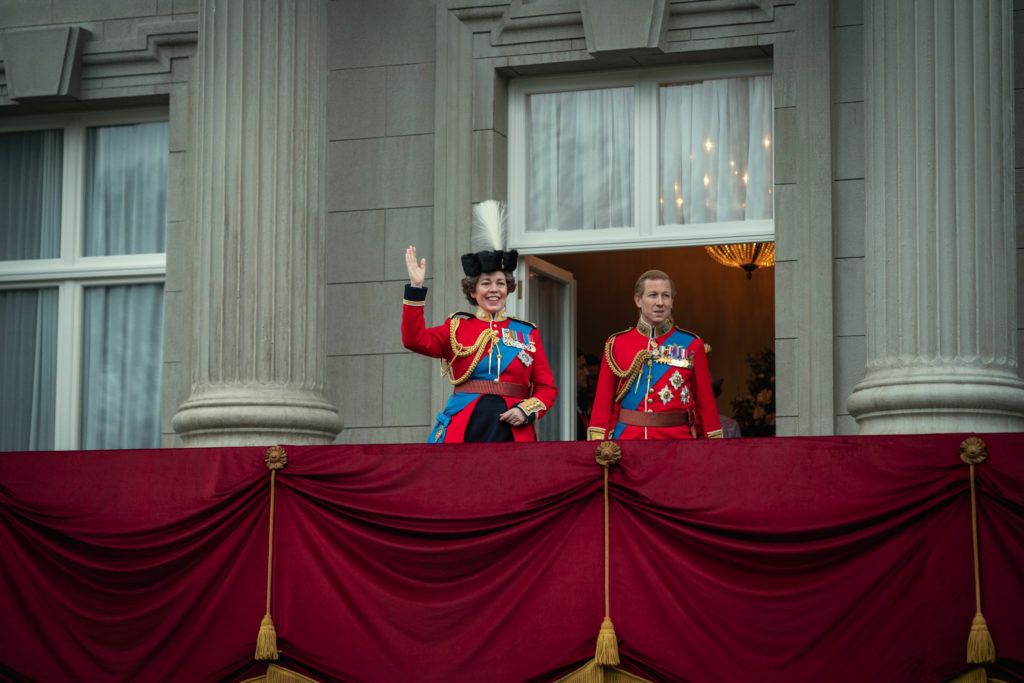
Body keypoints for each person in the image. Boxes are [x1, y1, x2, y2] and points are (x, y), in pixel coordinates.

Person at [402, 244, 557, 443]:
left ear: (507, 289)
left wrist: (525, 410)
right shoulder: (455, 328)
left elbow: (547, 387)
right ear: (473, 291)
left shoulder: (527, 333)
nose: (494, 290)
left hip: (513, 432)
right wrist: (416, 288)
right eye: (486, 283)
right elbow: (413, 340)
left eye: (500, 283)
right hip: (465, 429)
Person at [587, 269, 722, 441]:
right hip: (627, 443)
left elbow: (706, 405)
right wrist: (598, 445)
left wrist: (715, 445)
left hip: (677, 444)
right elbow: (603, 404)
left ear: (672, 301)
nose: (660, 302)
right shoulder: (616, 344)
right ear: (638, 300)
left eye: (666, 296)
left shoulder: (692, 344)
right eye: (653, 295)